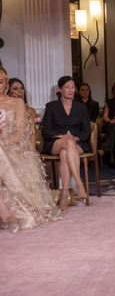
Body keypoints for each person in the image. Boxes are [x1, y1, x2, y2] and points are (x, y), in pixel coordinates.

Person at [0, 66, 61, 232]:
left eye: (0, 81)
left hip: (12, 147)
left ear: (5, 82)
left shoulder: (16, 102)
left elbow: (19, 135)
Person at [42, 76, 91, 208]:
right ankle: (80, 184)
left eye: (73, 87)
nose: (71, 90)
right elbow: (46, 131)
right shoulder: (51, 107)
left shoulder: (82, 108)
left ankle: (64, 194)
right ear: (60, 89)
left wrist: (76, 138)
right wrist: (60, 136)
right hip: (56, 142)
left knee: (65, 153)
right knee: (67, 144)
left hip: (78, 143)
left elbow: (86, 131)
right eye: (67, 87)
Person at [8, 78, 41, 147]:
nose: (20, 91)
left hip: (29, 143)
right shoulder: (5, 111)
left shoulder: (30, 110)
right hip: (10, 143)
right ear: (8, 91)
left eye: (22, 88)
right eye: (15, 89)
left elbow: (36, 131)